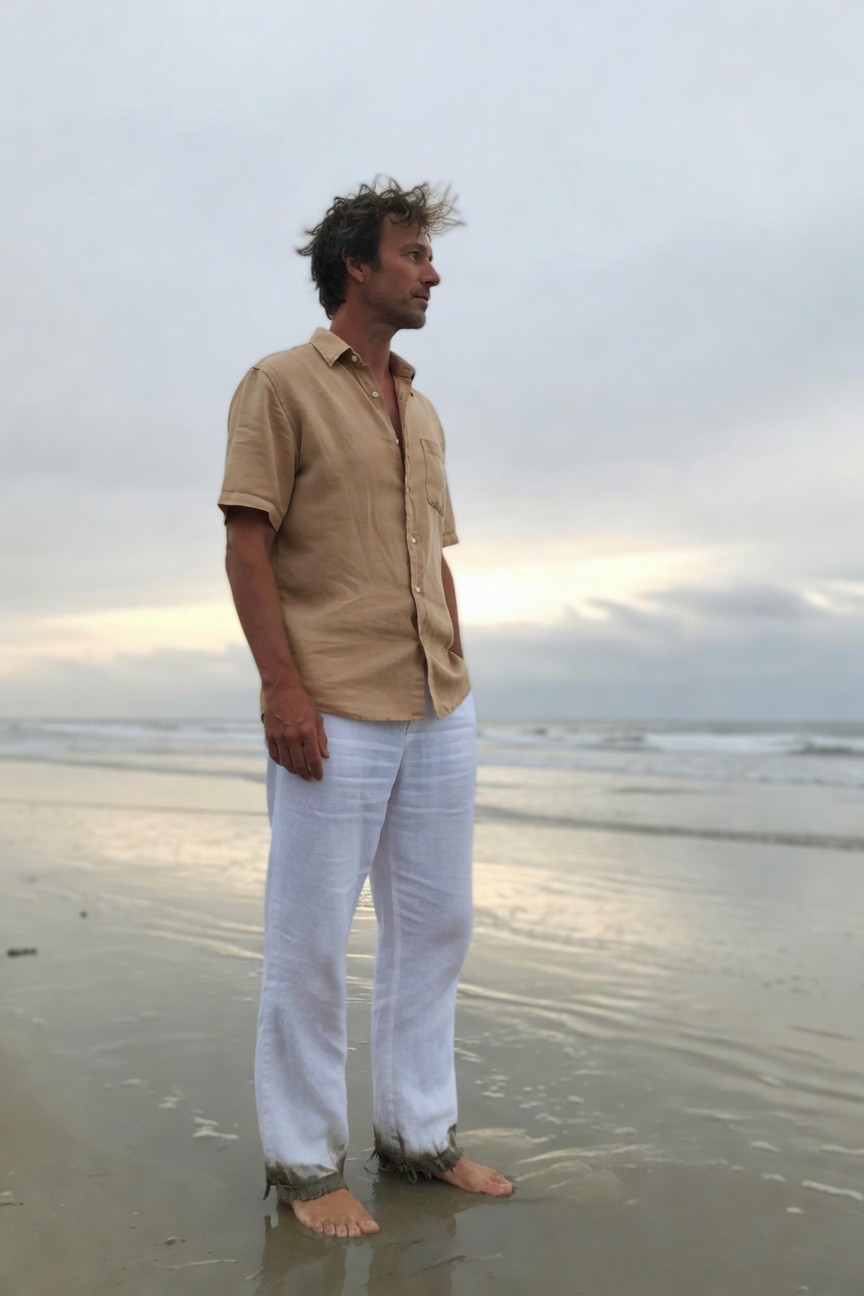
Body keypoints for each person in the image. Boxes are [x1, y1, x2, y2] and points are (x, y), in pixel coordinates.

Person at [219, 180, 513, 1239]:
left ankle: (418, 1137)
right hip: (332, 703)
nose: (433, 273)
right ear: (357, 264)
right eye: (414, 254)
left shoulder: (421, 411)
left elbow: (436, 555)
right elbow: (247, 542)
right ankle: (305, 1166)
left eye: (429, 255)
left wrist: (457, 660)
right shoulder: (279, 385)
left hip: (437, 702)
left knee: (437, 926)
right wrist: (281, 689)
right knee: (309, 938)